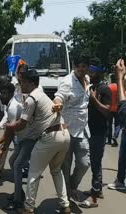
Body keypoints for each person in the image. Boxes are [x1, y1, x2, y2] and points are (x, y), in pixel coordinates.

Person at [7, 70, 70, 213]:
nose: (20, 84)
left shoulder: (31, 98)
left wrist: (8, 126)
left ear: (31, 83)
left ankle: (28, 208)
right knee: (56, 171)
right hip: (64, 134)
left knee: (33, 173)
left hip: (50, 136)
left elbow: (21, 124)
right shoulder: (42, 95)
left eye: (22, 82)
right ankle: (65, 205)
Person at [53, 55, 91, 200]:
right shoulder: (67, 82)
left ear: (88, 67)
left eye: (84, 66)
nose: (81, 69)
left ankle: (72, 187)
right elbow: (59, 96)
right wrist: (57, 103)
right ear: (74, 66)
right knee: (65, 166)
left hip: (82, 130)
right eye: (78, 66)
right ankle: (66, 198)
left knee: (84, 163)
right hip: (67, 130)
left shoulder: (87, 79)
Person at [79, 61, 111, 208]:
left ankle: (95, 194)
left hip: (98, 131)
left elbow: (107, 111)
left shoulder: (104, 89)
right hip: (89, 130)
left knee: (96, 162)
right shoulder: (92, 87)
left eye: (92, 72)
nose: (89, 74)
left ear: (99, 73)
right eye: (89, 72)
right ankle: (96, 190)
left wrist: (94, 99)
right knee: (94, 161)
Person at [0, 77, 22, 179]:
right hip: (18, 131)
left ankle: (20, 192)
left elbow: (10, 132)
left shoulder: (13, 107)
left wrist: (2, 145)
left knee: (16, 162)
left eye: (4, 94)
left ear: (10, 94)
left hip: (26, 135)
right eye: (1, 93)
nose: (1, 97)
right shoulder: (9, 104)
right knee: (16, 162)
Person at [107, 59, 126, 191]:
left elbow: (123, 108)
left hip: (114, 111)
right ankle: (120, 179)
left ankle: (120, 180)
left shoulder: (111, 87)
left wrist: (120, 77)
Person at [107, 73, 120, 147]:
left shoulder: (108, 87)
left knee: (109, 124)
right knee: (117, 124)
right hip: (117, 108)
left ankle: (108, 140)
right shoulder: (119, 88)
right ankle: (115, 136)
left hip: (109, 109)